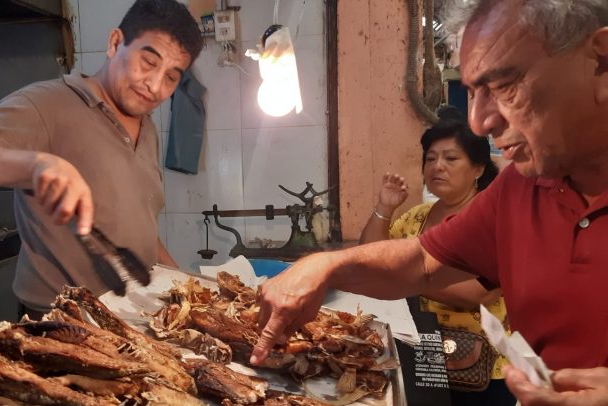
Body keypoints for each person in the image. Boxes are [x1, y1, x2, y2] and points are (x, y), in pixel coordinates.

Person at [251, 1, 608, 405]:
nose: (480, 122)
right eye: (474, 93)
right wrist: (324, 265)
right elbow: (421, 264)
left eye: (505, 86)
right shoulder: (521, 188)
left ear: (601, 62)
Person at [0, 0, 203, 318]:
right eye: (148, 62)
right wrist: (36, 165)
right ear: (114, 43)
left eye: (171, 77)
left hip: (131, 320)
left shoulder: (147, 128)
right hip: (58, 325)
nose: (154, 86)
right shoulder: (48, 104)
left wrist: (188, 287)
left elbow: (140, 228)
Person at [360, 108, 513, 405]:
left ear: (478, 168)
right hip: (425, 350)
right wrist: (385, 208)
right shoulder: (419, 215)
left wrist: (405, 281)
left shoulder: (495, 217)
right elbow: (372, 255)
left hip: (482, 363)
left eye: (451, 158)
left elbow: (476, 292)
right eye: (431, 158)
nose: (437, 167)